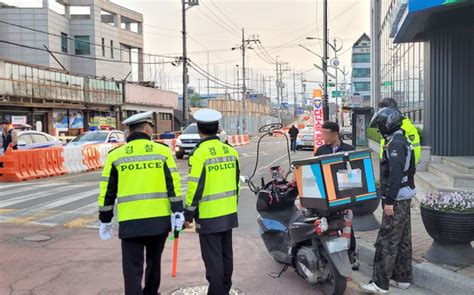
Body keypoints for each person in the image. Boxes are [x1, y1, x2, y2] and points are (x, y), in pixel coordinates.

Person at [97, 111, 184, 295]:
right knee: (154, 261)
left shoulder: (116, 155)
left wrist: (105, 218)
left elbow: (107, 191)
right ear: (146, 129)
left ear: (130, 131)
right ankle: (151, 292)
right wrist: (178, 211)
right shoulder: (162, 152)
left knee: (131, 267)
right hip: (158, 221)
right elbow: (173, 184)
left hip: (131, 222)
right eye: (151, 128)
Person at [184, 108, 240, 295]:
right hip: (229, 211)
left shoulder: (199, 153)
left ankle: (216, 292)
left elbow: (195, 187)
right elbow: (236, 183)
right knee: (226, 254)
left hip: (208, 214)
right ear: (218, 129)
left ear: (199, 129)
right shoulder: (231, 151)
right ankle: (225, 288)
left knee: (212, 257)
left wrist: (188, 213)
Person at [361, 108, 416, 294]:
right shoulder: (401, 141)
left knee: (387, 240)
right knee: (403, 239)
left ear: (388, 123)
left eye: (381, 125)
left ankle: (379, 284)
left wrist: (389, 200)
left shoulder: (395, 144)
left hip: (397, 199)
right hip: (403, 198)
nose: (380, 129)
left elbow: (396, 174)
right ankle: (402, 278)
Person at [314, 121, 358, 269]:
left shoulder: (349, 149)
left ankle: (351, 255)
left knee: (347, 226)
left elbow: (354, 176)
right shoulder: (320, 150)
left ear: (335, 134)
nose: (323, 136)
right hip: (326, 197)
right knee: (328, 224)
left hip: (343, 195)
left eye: (325, 133)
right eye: (322, 132)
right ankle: (331, 257)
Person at [378, 98, 421, 164]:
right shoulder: (388, 125)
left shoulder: (404, 125)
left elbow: (414, 149)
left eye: (383, 110)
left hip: (399, 166)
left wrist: (409, 167)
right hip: (387, 162)